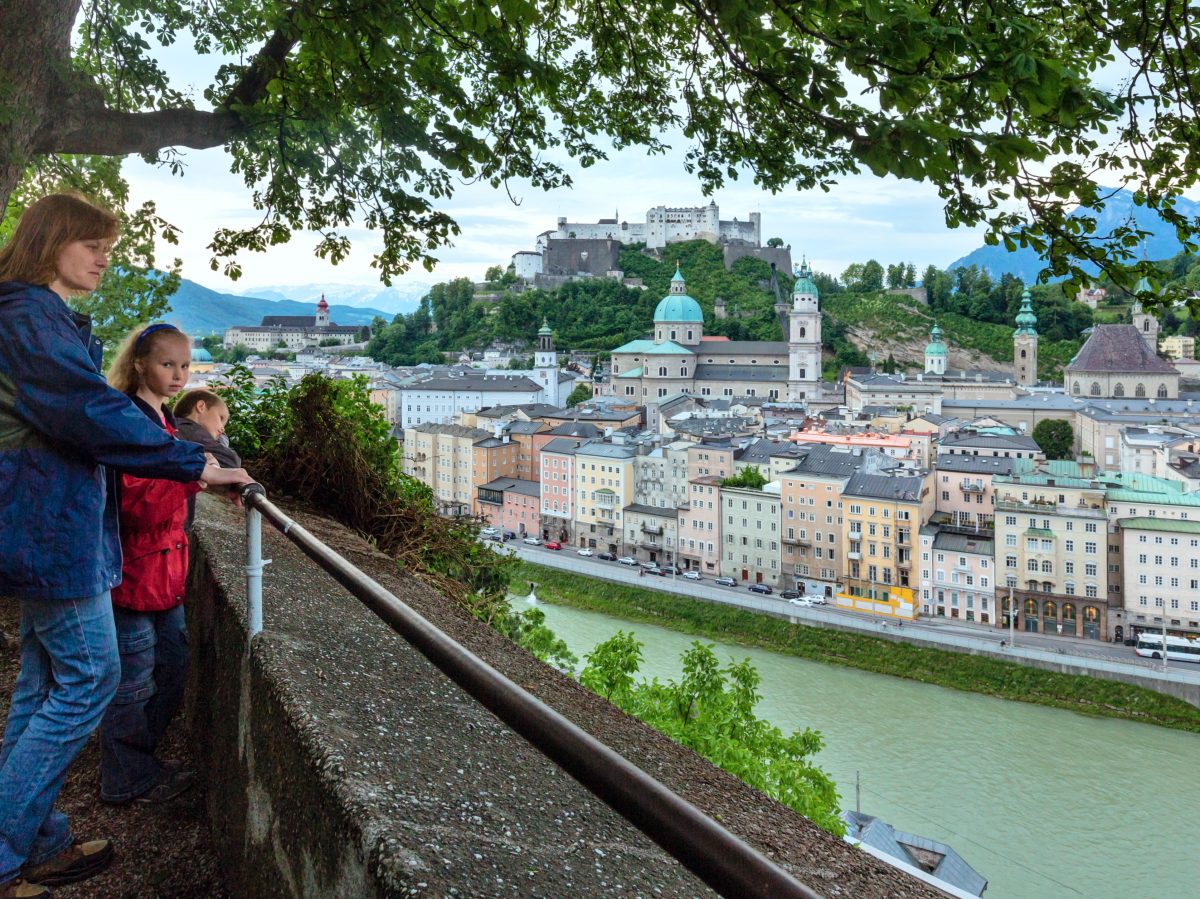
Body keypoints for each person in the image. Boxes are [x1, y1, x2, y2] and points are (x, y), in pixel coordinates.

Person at [0, 194, 253, 899]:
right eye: (95, 242)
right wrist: (195, 463)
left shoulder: (34, 316)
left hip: (43, 526)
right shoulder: (26, 317)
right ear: (52, 241)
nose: (107, 255)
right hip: (50, 531)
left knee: (43, 686)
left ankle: (40, 839)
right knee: (89, 678)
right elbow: (87, 411)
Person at [96, 327, 213, 807]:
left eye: (185, 367)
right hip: (136, 571)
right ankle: (125, 776)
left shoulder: (156, 417)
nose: (179, 376)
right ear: (141, 363)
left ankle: (139, 762)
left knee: (171, 666)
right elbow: (134, 508)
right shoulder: (131, 418)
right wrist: (193, 478)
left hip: (160, 573)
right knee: (135, 680)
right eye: (168, 365)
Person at [173, 389, 241, 532]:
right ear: (201, 406)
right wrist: (222, 441)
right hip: (173, 528)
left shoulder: (175, 428)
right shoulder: (189, 429)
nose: (222, 428)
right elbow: (230, 462)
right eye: (221, 418)